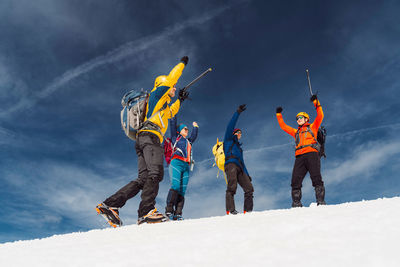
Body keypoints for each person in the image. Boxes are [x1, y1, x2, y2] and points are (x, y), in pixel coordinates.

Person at [96, 56, 190, 226]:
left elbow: (171, 112)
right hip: (151, 138)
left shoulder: (161, 105)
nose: (174, 88)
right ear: (164, 85)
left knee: (144, 179)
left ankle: (110, 205)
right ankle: (146, 211)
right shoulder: (158, 92)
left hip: (143, 140)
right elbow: (172, 77)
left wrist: (180, 100)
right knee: (156, 173)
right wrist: (182, 64)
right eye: (173, 87)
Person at [276, 94, 326, 207]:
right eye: (297, 118)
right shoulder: (296, 132)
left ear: (306, 119)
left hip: (312, 154)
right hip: (299, 157)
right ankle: (296, 204)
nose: (298, 119)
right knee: (295, 180)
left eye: (300, 118)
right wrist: (278, 114)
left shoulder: (313, 127)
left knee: (316, 177)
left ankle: (321, 202)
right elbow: (283, 126)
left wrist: (315, 101)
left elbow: (320, 115)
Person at [165, 116, 198, 220]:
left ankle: (178, 213)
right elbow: (172, 125)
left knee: (182, 191)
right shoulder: (176, 137)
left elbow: (194, 136)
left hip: (186, 166)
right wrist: (173, 115)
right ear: (180, 130)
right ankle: (169, 211)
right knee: (175, 186)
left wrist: (195, 127)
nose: (187, 130)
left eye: (187, 129)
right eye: (185, 129)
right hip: (176, 163)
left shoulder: (189, 141)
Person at [223, 104, 254, 215]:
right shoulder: (228, 140)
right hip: (230, 164)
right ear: (234, 133)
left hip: (240, 167)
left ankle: (248, 211)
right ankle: (231, 211)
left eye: (241, 132)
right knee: (232, 186)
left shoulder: (239, 148)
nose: (240, 134)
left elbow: (243, 163)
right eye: (238, 132)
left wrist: (247, 174)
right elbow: (230, 126)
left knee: (249, 188)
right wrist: (238, 112)